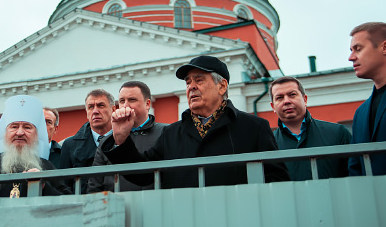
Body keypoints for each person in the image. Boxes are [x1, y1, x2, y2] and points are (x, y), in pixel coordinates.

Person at [101, 55, 289, 188]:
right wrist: (121, 139)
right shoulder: (172, 133)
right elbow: (143, 175)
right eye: (188, 82)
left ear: (222, 86)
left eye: (199, 80)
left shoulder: (253, 127)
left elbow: (277, 181)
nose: (191, 87)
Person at [0, 95, 69, 198]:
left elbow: (67, 202)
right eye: (14, 127)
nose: (20, 132)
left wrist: (43, 186)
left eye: (27, 127)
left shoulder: (47, 166)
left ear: (36, 135)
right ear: (5, 133)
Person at [88, 81, 166, 192]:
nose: (125, 105)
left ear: (147, 104)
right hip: (117, 206)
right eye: (122, 101)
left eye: (132, 100)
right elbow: (95, 184)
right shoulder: (107, 142)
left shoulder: (166, 132)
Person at [270, 76, 351, 180]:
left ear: (305, 99)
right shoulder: (269, 144)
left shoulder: (337, 133)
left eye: (292, 95)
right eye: (279, 97)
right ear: (273, 107)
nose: (286, 101)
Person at [348, 22, 386, 175]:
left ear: (385, 47)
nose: (351, 57)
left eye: (358, 49)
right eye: (351, 50)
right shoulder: (361, 112)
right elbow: (355, 165)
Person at [59, 89, 114, 194]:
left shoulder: (127, 138)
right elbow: (64, 185)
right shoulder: (70, 145)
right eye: (91, 107)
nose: (95, 111)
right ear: (87, 113)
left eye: (101, 105)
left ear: (113, 109)